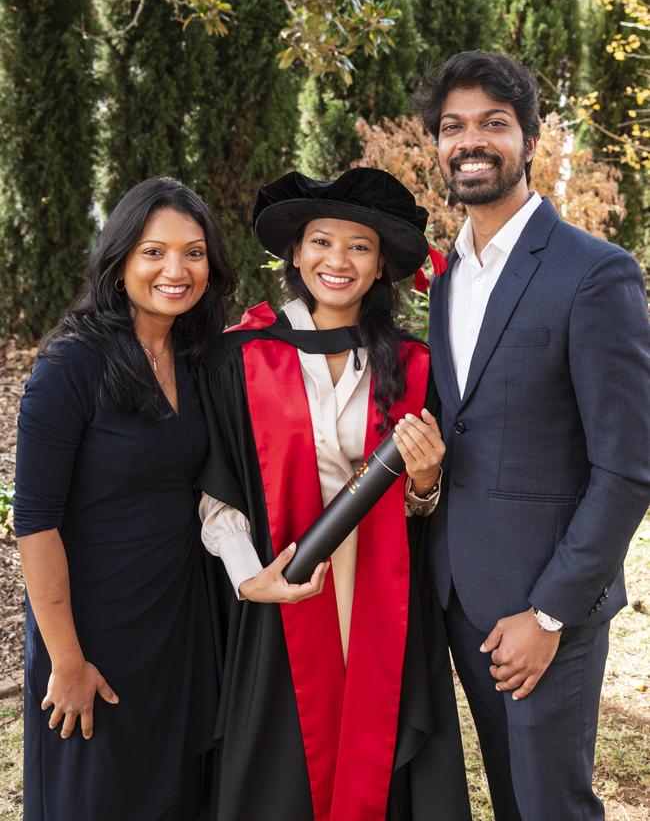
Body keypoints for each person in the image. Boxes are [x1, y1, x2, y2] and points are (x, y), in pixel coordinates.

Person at [412, 50, 650, 821]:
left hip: (546, 609)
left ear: (530, 139)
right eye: (453, 127)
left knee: (553, 807)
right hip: (461, 596)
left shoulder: (594, 273)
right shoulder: (446, 278)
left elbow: (629, 467)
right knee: (513, 800)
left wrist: (549, 612)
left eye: (493, 124)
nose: (470, 141)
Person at [197, 167, 471, 821]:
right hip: (284, 588)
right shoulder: (242, 357)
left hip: (380, 591)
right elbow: (218, 485)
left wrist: (427, 481)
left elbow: (421, 503)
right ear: (296, 252)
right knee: (285, 764)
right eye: (322, 241)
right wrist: (250, 577)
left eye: (359, 246)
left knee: (379, 756)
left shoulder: (412, 365)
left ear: (381, 267)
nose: (337, 260)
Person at [14, 177, 236, 821]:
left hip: (180, 622)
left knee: (179, 795)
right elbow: (34, 525)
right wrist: (67, 660)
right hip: (94, 634)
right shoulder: (70, 368)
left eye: (194, 252)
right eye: (153, 251)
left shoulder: (198, 359)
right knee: (100, 797)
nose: (176, 269)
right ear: (119, 265)